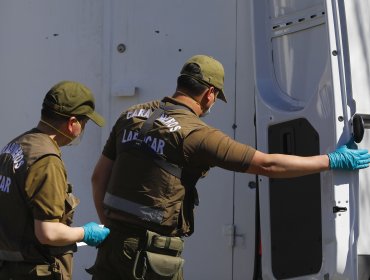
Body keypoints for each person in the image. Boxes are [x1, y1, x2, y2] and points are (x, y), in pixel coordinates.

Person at [88, 55, 370, 280]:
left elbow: (98, 177)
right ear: (209, 94)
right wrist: (330, 160)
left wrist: (110, 228)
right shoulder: (196, 134)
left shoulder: (130, 116)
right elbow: (267, 164)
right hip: (149, 257)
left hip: (111, 246)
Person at [0, 81, 110, 280]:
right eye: (84, 123)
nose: (82, 129)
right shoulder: (47, 160)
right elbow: (47, 233)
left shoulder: (16, 145)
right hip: (34, 271)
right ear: (72, 123)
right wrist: (85, 234)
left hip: (9, 268)